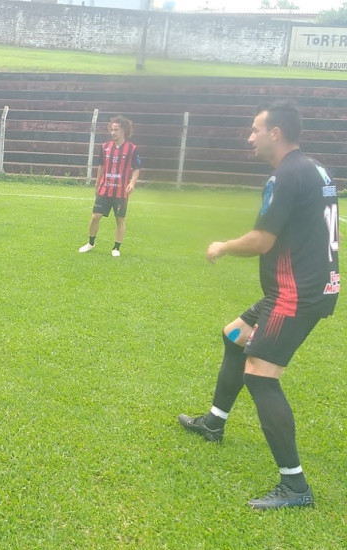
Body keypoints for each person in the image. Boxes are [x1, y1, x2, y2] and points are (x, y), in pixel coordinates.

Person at [178, 101, 340, 510]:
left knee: (261, 375)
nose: (249, 137)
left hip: (296, 293)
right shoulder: (313, 168)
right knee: (234, 335)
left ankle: (295, 486)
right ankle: (215, 422)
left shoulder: (286, 174)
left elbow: (262, 241)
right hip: (302, 286)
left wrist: (223, 246)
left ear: (276, 133)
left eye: (255, 130)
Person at [78, 116, 141, 257]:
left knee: (119, 219)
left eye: (116, 130)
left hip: (121, 191)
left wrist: (132, 183)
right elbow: (101, 166)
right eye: (111, 129)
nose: (113, 132)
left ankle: (116, 248)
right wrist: (97, 183)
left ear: (123, 130)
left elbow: (136, 168)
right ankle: (91, 243)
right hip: (105, 188)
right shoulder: (105, 147)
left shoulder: (132, 149)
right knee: (95, 216)